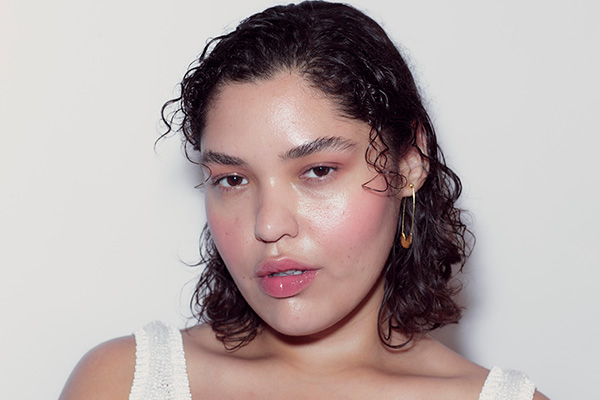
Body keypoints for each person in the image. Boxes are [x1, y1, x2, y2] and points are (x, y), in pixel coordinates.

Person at [60, 1, 548, 399]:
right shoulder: (123, 382)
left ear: (410, 164)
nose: (268, 225)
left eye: (317, 171)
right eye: (232, 179)